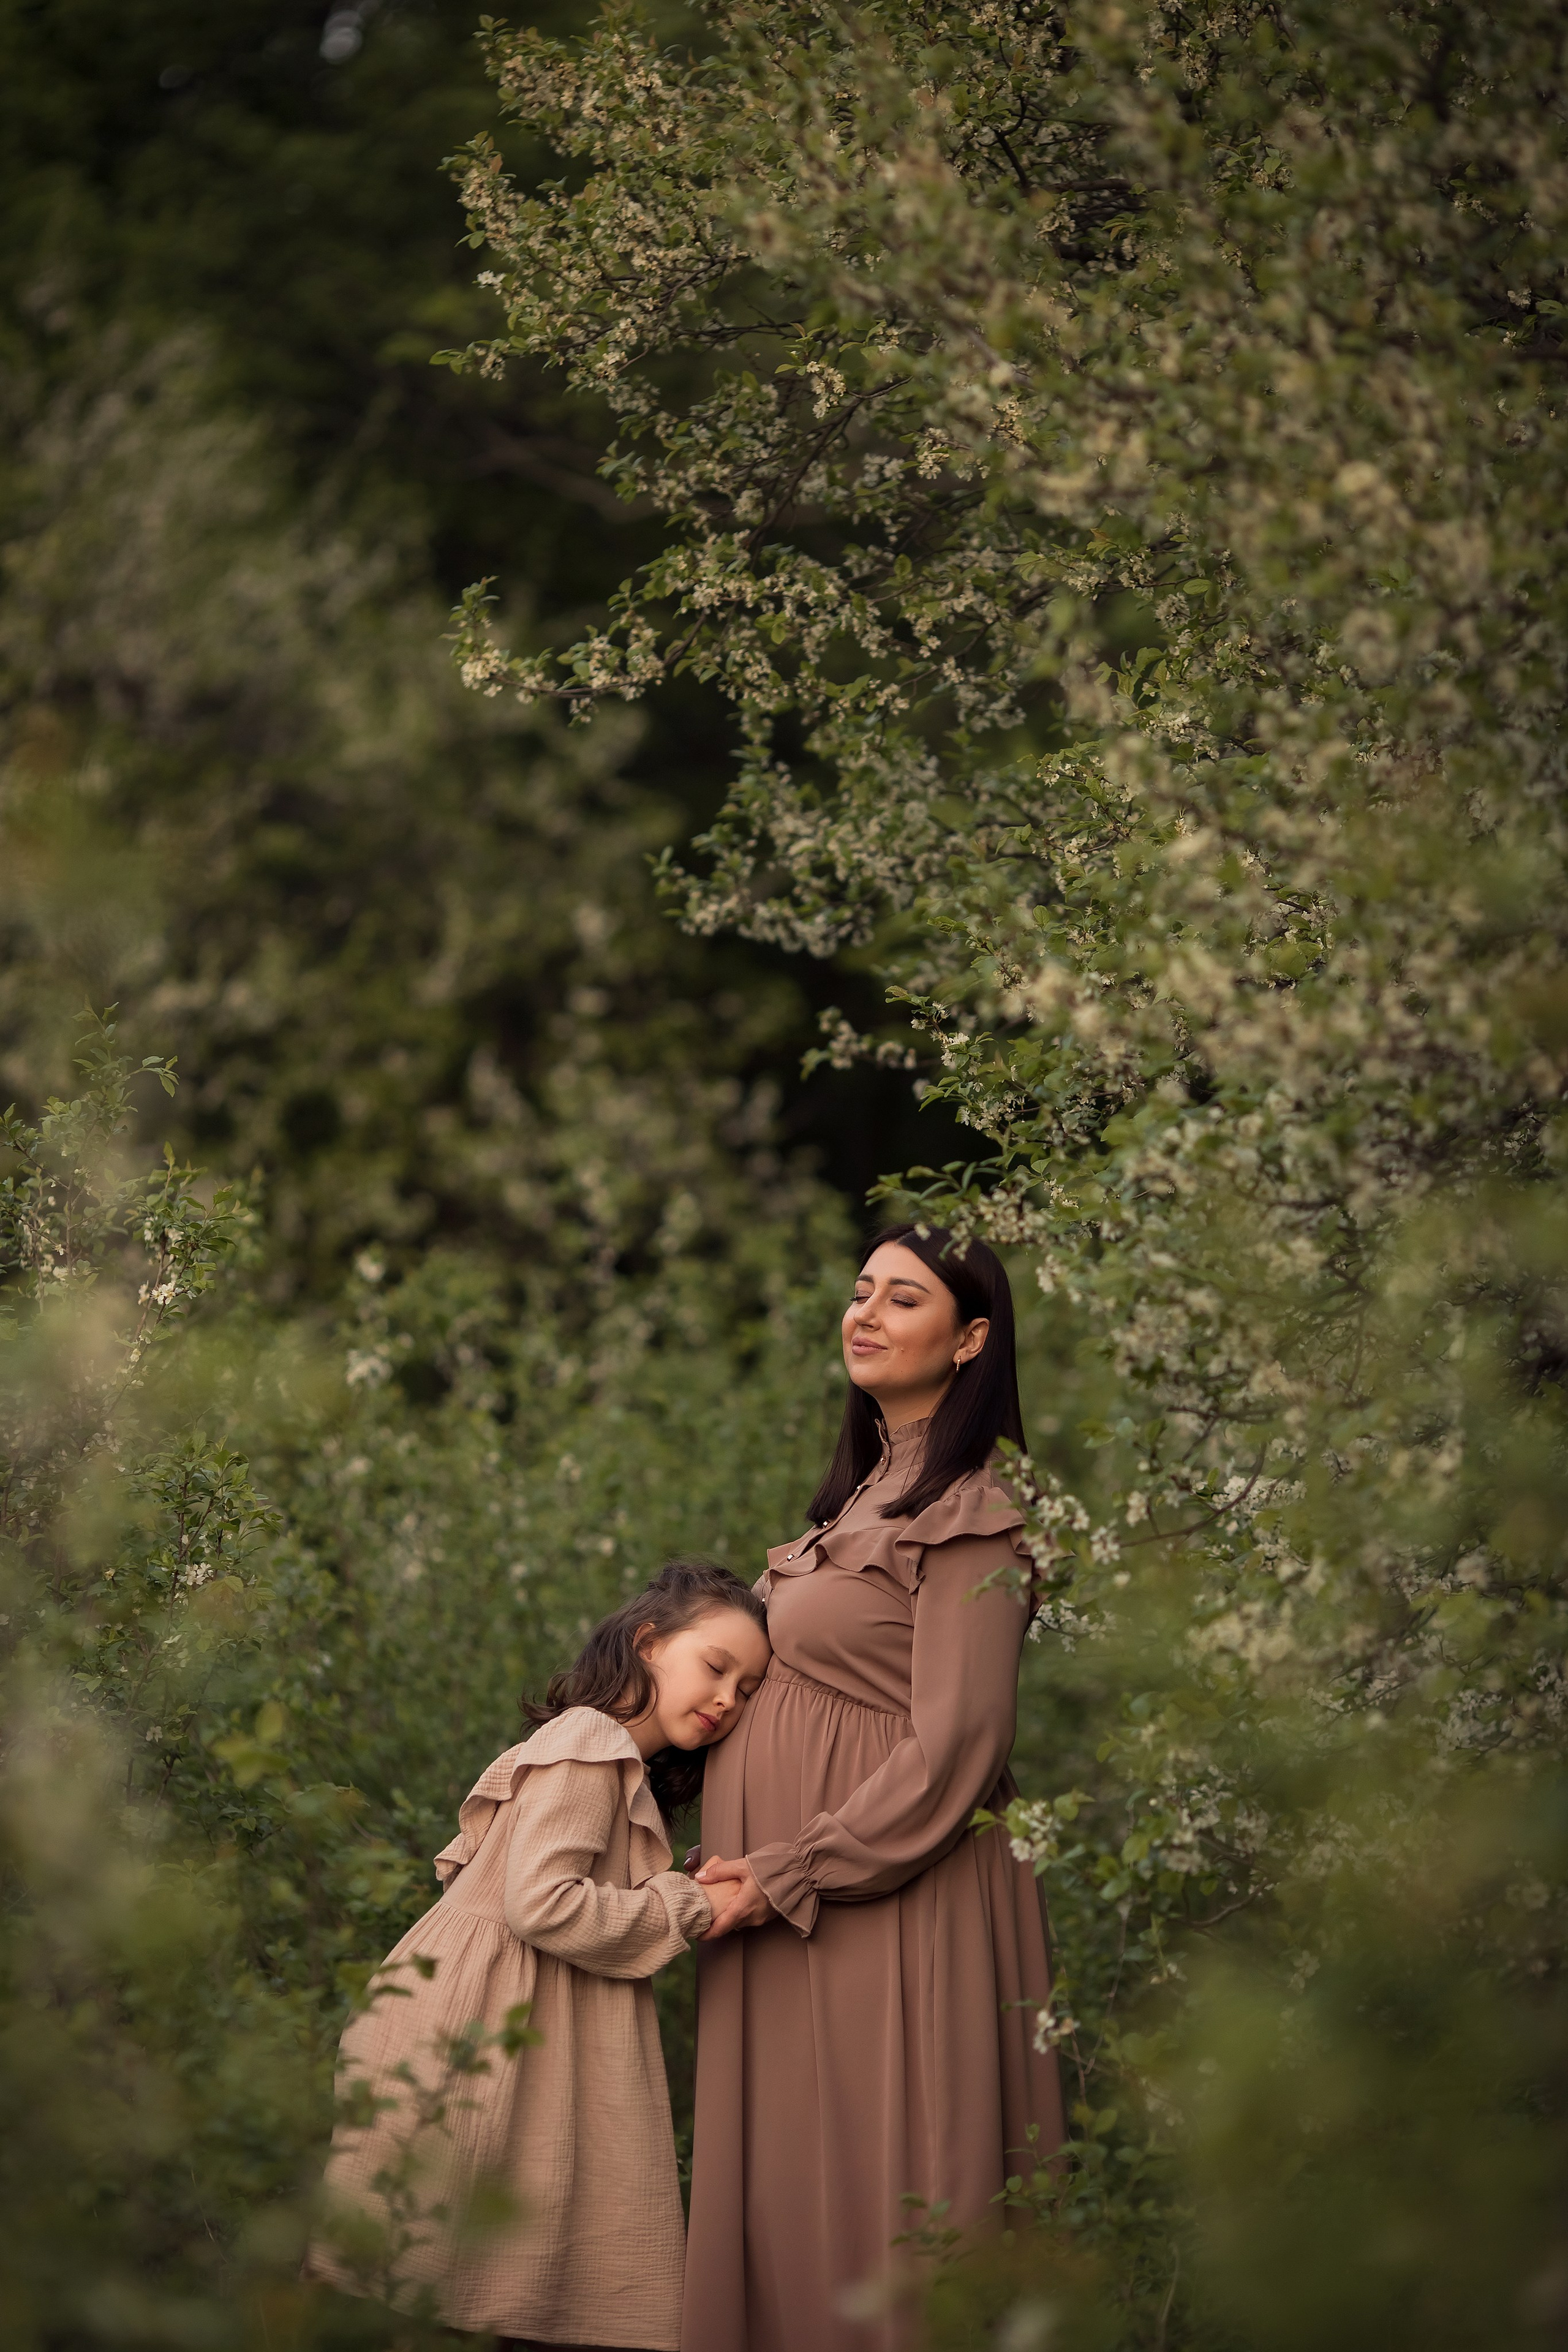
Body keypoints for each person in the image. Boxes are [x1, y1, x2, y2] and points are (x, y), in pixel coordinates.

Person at [684, 1226, 1066, 2352]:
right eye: (860, 1293)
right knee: (796, 2198)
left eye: (904, 1299)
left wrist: (789, 1871)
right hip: (790, 1914)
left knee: (889, 2202)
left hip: (886, 1900)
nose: (866, 1314)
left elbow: (960, 1745)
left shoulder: (975, 1508)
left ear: (971, 1340)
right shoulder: (857, 1497)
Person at [304, 1560, 771, 2352]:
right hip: (481, 2028)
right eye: (716, 1667)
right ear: (649, 1644)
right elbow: (543, 1904)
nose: (728, 1698)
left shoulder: (599, 1756)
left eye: (749, 1689)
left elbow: (479, 1872)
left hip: (490, 2015)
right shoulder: (591, 1741)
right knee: (440, 2280)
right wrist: (691, 1904)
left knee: (447, 2277)